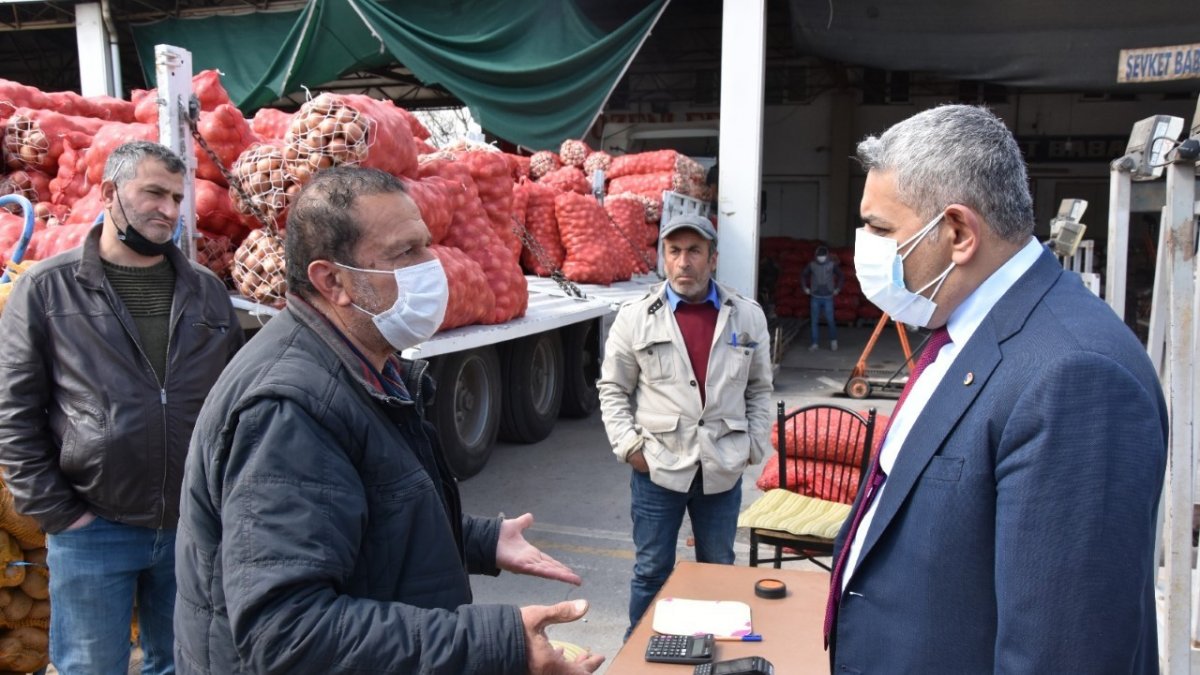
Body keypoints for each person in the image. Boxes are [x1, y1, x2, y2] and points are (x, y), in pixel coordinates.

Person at [173, 166, 605, 674]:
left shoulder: (366, 365)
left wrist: (475, 539)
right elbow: (289, 633)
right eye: (406, 253)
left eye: (427, 245)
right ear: (332, 280)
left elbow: (362, 517)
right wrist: (500, 643)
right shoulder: (289, 410)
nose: (432, 266)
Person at [827, 104, 1167, 673]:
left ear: (958, 233)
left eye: (881, 229)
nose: (865, 244)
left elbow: (1062, 653)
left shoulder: (1075, 375)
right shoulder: (964, 331)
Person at [0, 140, 244, 674]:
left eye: (176, 197)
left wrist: (221, 504)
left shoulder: (206, 292)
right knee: (91, 667)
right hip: (94, 528)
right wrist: (62, 515)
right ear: (110, 192)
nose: (168, 209)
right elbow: (13, 416)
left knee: (183, 664)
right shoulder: (47, 289)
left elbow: (233, 408)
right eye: (153, 192)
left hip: (190, 526)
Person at [598, 213, 773, 636]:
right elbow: (613, 388)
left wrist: (752, 446)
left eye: (694, 251)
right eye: (674, 251)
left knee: (719, 568)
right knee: (651, 570)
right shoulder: (637, 316)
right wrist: (629, 448)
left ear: (712, 258)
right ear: (664, 257)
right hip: (658, 468)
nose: (683, 262)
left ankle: (717, 650)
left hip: (721, 468)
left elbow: (759, 388)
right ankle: (639, 652)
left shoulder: (746, 316)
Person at [802, 244, 843, 351]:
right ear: (816, 256)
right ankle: (815, 343)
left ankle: (833, 341)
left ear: (827, 255)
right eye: (819, 256)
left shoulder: (832, 265)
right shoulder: (812, 265)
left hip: (828, 297)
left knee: (830, 320)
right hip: (815, 297)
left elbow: (841, 276)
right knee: (814, 321)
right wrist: (805, 288)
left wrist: (838, 289)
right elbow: (803, 275)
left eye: (823, 256)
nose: (821, 258)